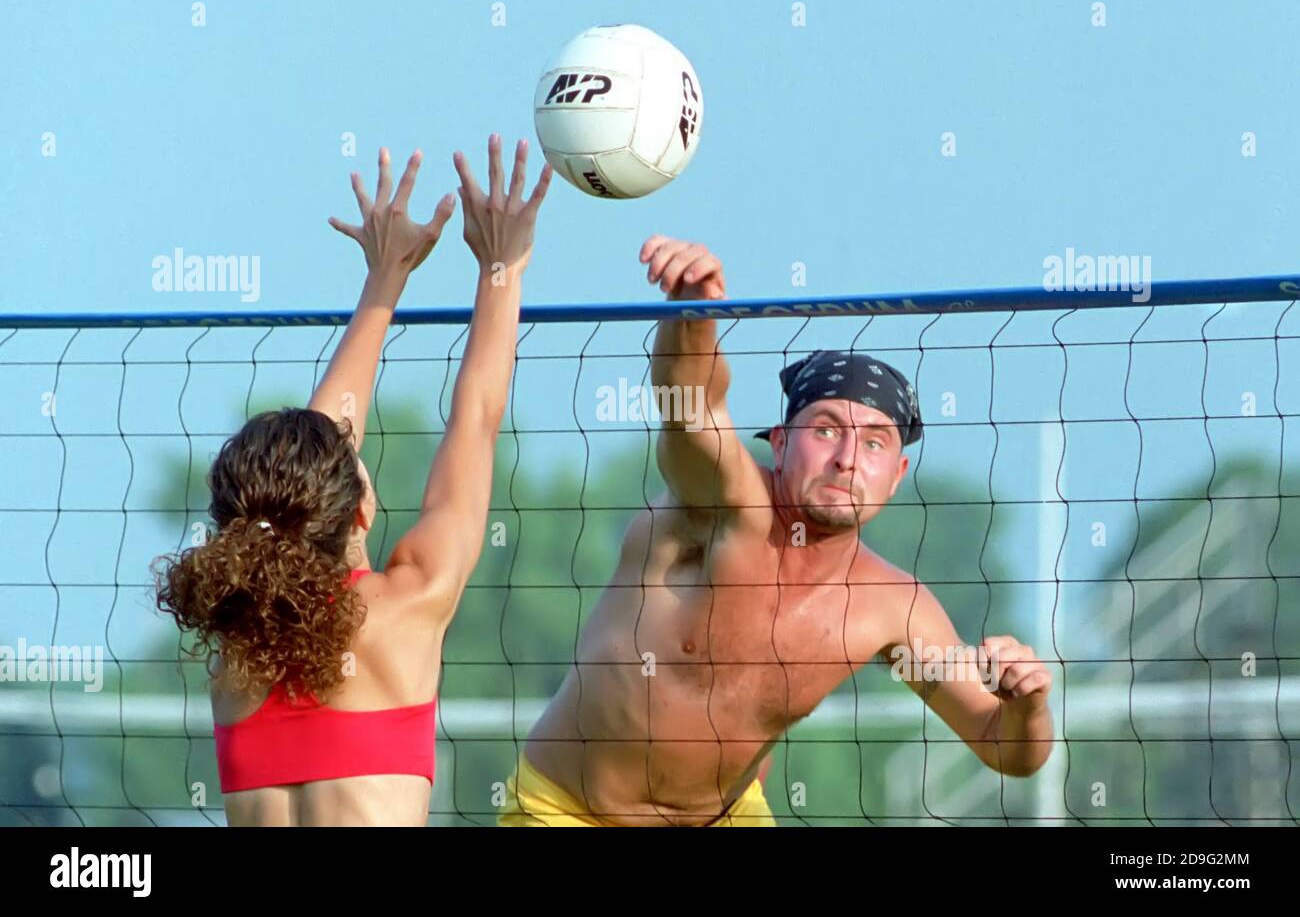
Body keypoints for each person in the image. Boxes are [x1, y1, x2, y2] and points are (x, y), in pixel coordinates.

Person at [501, 236, 1054, 826]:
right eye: (825, 430)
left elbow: (1002, 746)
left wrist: (1026, 706)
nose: (847, 458)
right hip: (570, 813)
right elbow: (689, 406)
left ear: (895, 476)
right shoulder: (722, 506)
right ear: (781, 443)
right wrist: (693, 312)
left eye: (873, 442)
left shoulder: (891, 609)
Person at [153, 136, 551, 826]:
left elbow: (304, 469)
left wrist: (387, 276)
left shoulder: (236, 653)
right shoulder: (408, 606)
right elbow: (477, 420)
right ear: (361, 512)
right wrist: (499, 263)